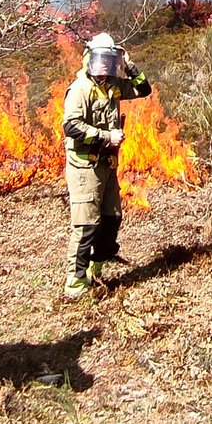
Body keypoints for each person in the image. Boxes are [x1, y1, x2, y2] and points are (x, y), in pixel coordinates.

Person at [61, 32, 151, 299]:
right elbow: (71, 126)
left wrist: (129, 65)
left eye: (109, 60)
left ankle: (96, 269)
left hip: (107, 165)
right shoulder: (80, 89)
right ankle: (76, 283)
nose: (104, 65)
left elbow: (144, 89)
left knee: (112, 219)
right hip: (84, 167)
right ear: (89, 59)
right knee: (86, 225)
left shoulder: (113, 85)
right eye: (100, 59)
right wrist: (105, 136)